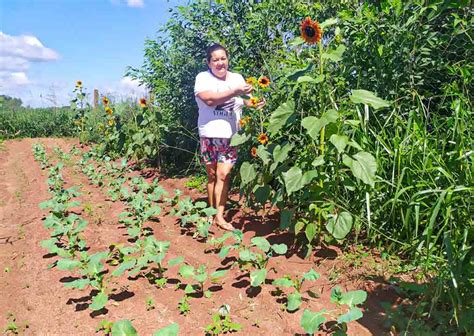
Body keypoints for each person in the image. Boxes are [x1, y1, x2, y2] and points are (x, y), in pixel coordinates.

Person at [194, 43, 264, 230]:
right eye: (215, 60)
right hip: (209, 133)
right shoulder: (203, 78)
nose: (220, 63)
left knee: (223, 175)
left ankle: (219, 216)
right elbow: (209, 99)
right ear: (209, 63)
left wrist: (255, 103)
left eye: (223, 58)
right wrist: (235, 91)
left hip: (231, 136)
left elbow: (241, 101)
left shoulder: (237, 78)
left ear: (228, 59)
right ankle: (211, 211)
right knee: (212, 175)